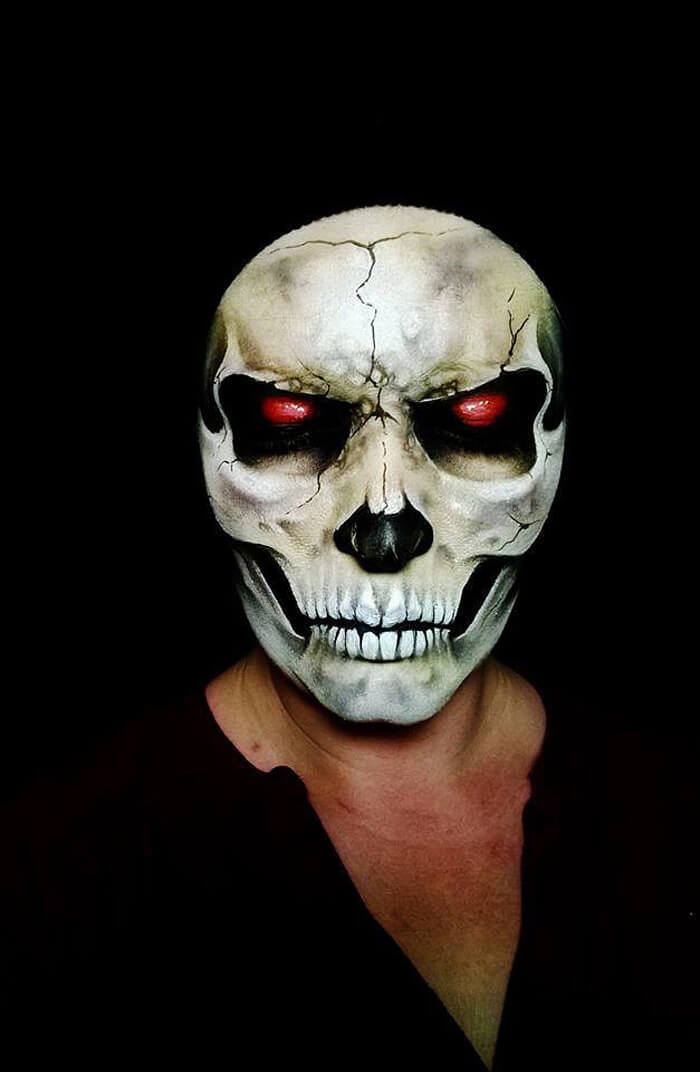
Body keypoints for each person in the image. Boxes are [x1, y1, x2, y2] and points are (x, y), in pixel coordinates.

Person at [3, 206, 694, 1070]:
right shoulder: (56, 874)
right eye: (289, 420)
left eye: (477, 419)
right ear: (202, 444)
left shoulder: (678, 825)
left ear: (558, 442)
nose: (384, 528)